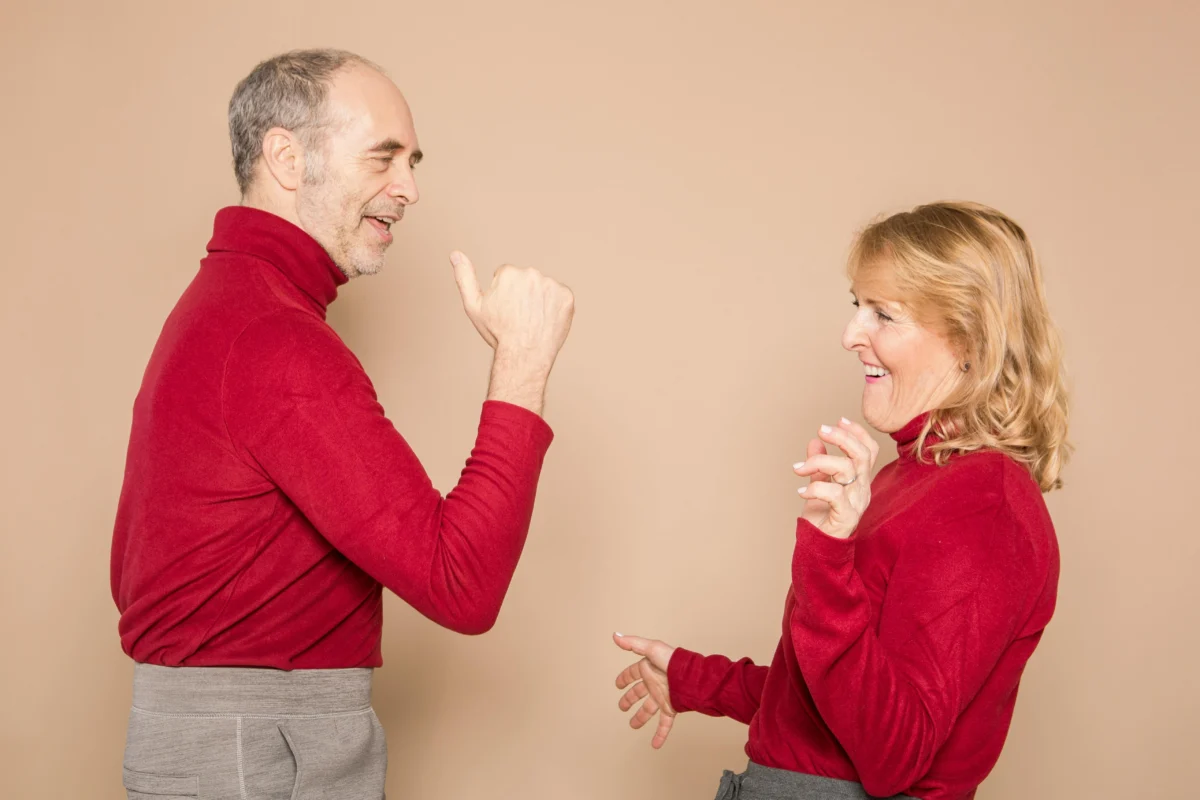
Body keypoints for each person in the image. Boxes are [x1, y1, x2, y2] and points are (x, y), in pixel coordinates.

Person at [111, 49, 574, 799]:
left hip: (235, 741)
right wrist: (522, 366)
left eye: (414, 161)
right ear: (287, 159)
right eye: (384, 157)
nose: (411, 188)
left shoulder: (229, 308)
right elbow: (462, 584)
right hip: (255, 753)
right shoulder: (273, 336)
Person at [614, 201, 1069, 800]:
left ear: (969, 340)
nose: (851, 335)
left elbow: (893, 754)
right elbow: (833, 700)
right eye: (858, 306)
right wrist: (699, 681)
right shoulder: (913, 479)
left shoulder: (984, 504)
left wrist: (827, 556)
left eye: (884, 314)